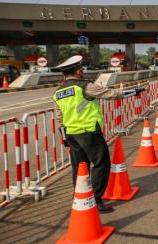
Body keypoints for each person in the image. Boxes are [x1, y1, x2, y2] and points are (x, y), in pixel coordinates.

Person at [53, 55, 137, 213]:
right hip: (89, 132)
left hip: (71, 134)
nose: (82, 72)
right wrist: (133, 92)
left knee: (79, 168)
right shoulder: (85, 86)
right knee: (101, 164)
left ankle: (80, 197)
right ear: (78, 71)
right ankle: (96, 199)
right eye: (81, 69)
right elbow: (110, 94)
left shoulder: (58, 92)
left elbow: (59, 117)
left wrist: (65, 139)